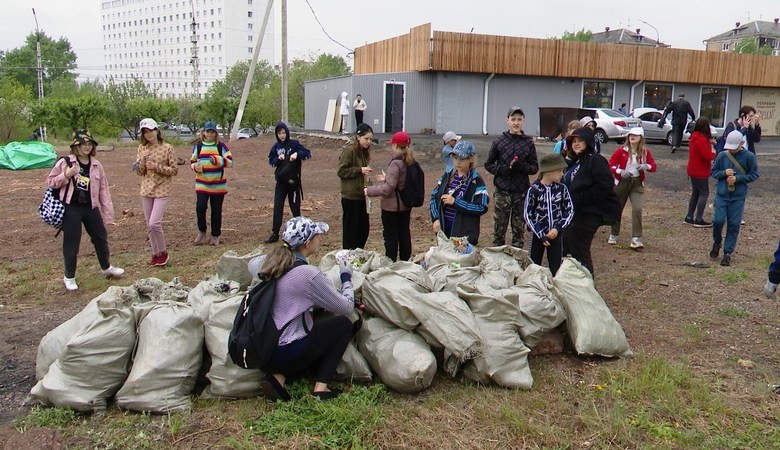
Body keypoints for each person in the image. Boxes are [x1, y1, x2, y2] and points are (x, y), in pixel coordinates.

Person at [259, 216, 357, 401]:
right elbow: (346, 307)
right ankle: (322, 386)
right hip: (287, 350)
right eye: (318, 236)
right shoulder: (307, 274)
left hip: (265, 349)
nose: (320, 239)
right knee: (343, 324)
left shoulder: (272, 263)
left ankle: (277, 377)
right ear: (307, 243)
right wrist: (346, 277)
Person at [47, 130, 124, 291]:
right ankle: (69, 277)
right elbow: (51, 182)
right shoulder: (65, 162)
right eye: (83, 144)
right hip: (71, 208)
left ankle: (106, 267)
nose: (87, 147)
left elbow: (104, 190)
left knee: (100, 237)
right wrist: (66, 175)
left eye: (90, 144)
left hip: (91, 207)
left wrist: (108, 215)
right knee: (72, 243)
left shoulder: (96, 165)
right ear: (76, 146)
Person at [562, 127, 620, 277]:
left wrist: (581, 198)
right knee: (571, 249)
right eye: (573, 141)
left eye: (580, 140)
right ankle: (578, 284)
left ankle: (588, 287)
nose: (576, 144)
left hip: (589, 212)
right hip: (574, 212)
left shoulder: (595, 160)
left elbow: (605, 185)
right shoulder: (575, 163)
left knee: (580, 251)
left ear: (588, 142)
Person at [484, 107, 539, 248]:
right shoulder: (499, 142)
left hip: (520, 192)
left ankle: (517, 260)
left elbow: (534, 168)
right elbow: (488, 164)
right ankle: (496, 259)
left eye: (519, 119)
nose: (516, 123)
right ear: (507, 121)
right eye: (513, 119)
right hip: (502, 190)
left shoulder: (528, 142)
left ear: (523, 121)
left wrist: (521, 166)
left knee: (518, 230)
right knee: (499, 229)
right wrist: (502, 170)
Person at [709, 130, 759, 266]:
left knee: (734, 224)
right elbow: (713, 172)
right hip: (722, 194)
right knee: (718, 221)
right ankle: (717, 241)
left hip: (738, 196)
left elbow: (754, 174)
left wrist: (738, 178)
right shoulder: (722, 156)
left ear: (741, 143)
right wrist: (724, 173)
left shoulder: (749, 157)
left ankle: (727, 252)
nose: (731, 150)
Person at [133, 118, 178, 266]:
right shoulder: (142, 148)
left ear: (157, 130)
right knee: (149, 225)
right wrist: (142, 162)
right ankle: (155, 253)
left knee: (154, 223)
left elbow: (174, 170)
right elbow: (139, 172)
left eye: (151, 131)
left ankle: (163, 251)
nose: (149, 134)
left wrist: (157, 166)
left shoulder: (167, 148)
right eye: (145, 132)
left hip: (162, 189)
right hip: (146, 189)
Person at [365, 131, 413, 262]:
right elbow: (401, 181)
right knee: (404, 234)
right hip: (405, 205)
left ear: (396, 146)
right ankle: (405, 261)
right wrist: (387, 178)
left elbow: (387, 189)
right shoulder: (409, 160)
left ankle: (390, 262)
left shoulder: (395, 163)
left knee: (391, 236)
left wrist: (368, 190)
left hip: (392, 207)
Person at [431, 140, 489, 245]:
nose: (457, 162)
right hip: (443, 230)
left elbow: (481, 207)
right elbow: (434, 197)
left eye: (462, 159)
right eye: (455, 158)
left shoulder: (476, 181)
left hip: (464, 235)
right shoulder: (447, 176)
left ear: (471, 159)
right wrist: (436, 219)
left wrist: (455, 202)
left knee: (458, 261)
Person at [523, 153, 574, 275]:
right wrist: (540, 234)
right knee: (533, 266)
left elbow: (570, 210)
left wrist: (558, 228)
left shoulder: (562, 189)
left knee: (556, 268)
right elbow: (527, 214)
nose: (562, 174)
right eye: (560, 171)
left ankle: (554, 289)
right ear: (549, 171)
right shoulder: (534, 190)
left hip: (556, 235)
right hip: (537, 236)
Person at [607, 127, 657, 250]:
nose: (632, 137)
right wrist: (620, 171)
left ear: (641, 138)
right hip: (622, 182)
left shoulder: (645, 152)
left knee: (637, 209)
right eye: (630, 135)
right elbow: (610, 165)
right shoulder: (621, 151)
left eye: (635, 135)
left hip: (637, 183)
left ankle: (636, 238)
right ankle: (614, 233)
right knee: (617, 208)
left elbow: (653, 166)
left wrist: (646, 166)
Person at [264, 122, 312, 243]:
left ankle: (300, 231)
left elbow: (307, 153)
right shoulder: (276, 147)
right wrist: (278, 159)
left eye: (284, 132)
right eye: (279, 133)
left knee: (295, 207)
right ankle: (275, 232)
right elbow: (271, 161)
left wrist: (296, 154)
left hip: (293, 182)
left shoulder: (294, 144)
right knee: (278, 206)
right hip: (281, 181)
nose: (282, 135)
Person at [190, 121, 233, 246]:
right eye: (207, 132)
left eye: (212, 132)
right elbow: (192, 161)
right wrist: (195, 167)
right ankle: (202, 231)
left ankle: (215, 235)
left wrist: (218, 160)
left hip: (218, 185)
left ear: (216, 133)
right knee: (201, 207)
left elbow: (230, 162)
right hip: (202, 183)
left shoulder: (221, 147)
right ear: (203, 133)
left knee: (216, 210)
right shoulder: (198, 147)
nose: (210, 134)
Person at [337, 123, 373, 250]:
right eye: (366, 138)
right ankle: (348, 256)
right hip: (350, 197)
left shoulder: (364, 153)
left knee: (363, 230)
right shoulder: (350, 151)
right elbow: (341, 171)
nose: (368, 142)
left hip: (362, 196)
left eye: (370, 139)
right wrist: (359, 170)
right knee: (351, 231)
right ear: (358, 137)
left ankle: (358, 253)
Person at [685, 117, 717, 227]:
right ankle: (698, 219)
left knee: (696, 193)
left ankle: (689, 216)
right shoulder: (702, 139)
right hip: (700, 170)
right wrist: (714, 153)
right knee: (704, 193)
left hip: (692, 169)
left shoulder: (695, 137)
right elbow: (707, 156)